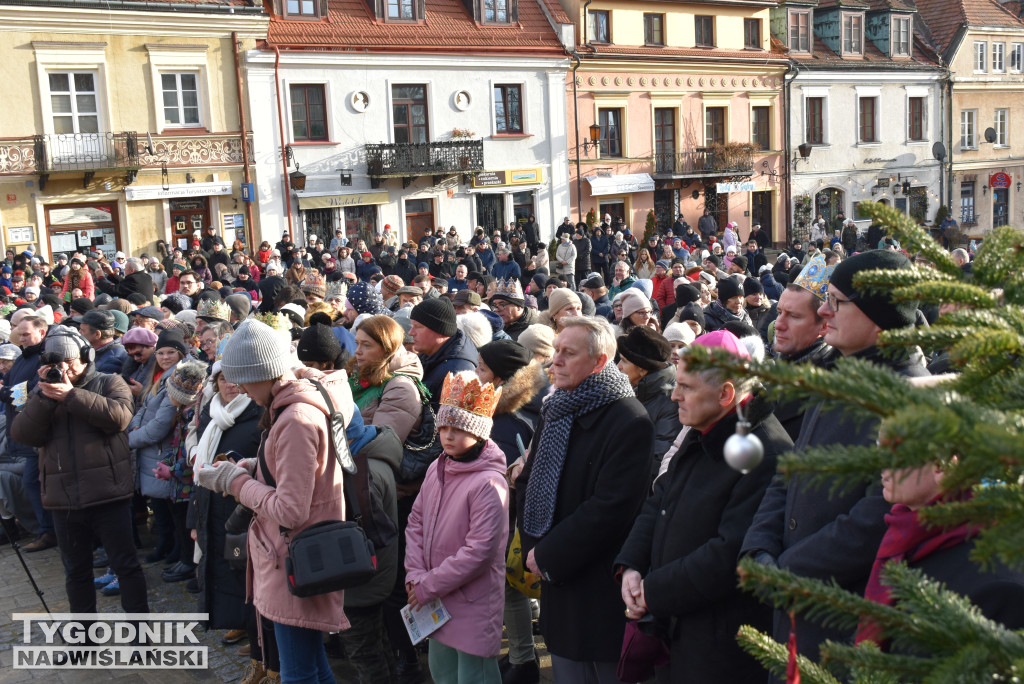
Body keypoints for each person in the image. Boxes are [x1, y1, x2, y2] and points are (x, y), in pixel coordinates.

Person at [742, 250, 929, 661]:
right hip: (796, 603)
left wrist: (787, 568)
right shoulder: (837, 375)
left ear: (879, 313)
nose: (824, 310)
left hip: (843, 620)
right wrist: (758, 546)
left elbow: (880, 514)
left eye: (837, 301)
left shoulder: (912, 396)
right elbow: (791, 470)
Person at [194, 319, 368, 682]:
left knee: (298, 672)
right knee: (312, 663)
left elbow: (290, 510)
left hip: (293, 557)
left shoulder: (295, 419)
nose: (238, 387)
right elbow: (309, 473)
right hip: (298, 554)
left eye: (243, 378)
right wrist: (258, 466)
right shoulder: (299, 403)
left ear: (264, 373)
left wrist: (235, 481)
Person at [616, 330, 792, 682]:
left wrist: (653, 591)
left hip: (720, 648)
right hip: (676, 627)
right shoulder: (707, 424)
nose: (674, 395)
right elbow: (660, 499)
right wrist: (632, 565)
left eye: (687, 387)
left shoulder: (766, 452)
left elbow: (730, 554)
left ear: (726, 393)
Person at [516, 316, 654, 682]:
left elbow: (611, 508)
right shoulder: (557, 405)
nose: (554, 361)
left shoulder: (629, 419)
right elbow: (528, 482)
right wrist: (534, 549)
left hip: (596, 586)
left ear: (599, 362)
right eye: (556, 350)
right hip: (554, 577)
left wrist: (546, 555)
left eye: (568, 353)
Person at [11, 326, 148, 614]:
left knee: (126, 566)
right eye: (54, 364)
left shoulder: (111, 382)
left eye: (69, 363)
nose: (63, 370)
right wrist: (46, 398)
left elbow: (120, 418)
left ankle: (140, 636)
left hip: (109, 495)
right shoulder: (43, 393)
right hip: (64, 501)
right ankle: (83, 642)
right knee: (76, 572)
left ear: (86, 358)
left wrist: (71, 395)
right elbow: (23, 434)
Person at [405, 370, 509, 684]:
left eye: (458, 428)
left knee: (474, 676)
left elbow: (478, 552)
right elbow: (416, 521)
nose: (447, 436)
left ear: (479, 433)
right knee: (444, 673)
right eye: (444, 427)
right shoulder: (438, 467)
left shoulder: (489, 484)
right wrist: (414, 573)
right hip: (433, 595)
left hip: (470, 600)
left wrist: (427, 584)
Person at [128, 328, 189, 564]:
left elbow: (161, 424)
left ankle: (174, 548)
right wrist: (134, 427)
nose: (165, 358)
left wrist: (130, 439)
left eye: (171, 352)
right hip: (151, 449)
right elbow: (143, 407)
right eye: (161, 353)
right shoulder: (158, 377)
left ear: (181, 354)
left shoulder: (178, 379)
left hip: (163, 449)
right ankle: (166, 545)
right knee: (161, 506)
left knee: (170, 507)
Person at [771, 254, 840, 439]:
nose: (778, 324)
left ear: (824, 326)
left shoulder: (830, 389)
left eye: (794, 316)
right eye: (779, 312)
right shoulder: (773, 371)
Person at [1, 312, 54, 551]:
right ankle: (46, 530)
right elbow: (12, 385)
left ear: (41, 332)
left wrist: (4, 392)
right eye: (19, 334)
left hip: (37, 432)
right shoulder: (23, 356)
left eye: (26, 334)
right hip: (22, 432)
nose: (21, 339)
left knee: (35, 482)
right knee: (33, 482)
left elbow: (31, 391)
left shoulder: (44, 358)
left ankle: (47, 531)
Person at [615, 326, 681, 475]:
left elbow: (658, 459)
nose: (618, 366)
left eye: (624, 361)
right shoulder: (626, 388)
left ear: (643, 370)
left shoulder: (671, 401)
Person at [410, 298, 477, 414]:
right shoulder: (431, 353)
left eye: (418, 326)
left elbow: (449, 425)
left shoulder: (458, 371)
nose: (411, 332)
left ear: (439, 329)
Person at [80, 309, 127, 374]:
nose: (79, 332)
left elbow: (95, 383)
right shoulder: (100, 351)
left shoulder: (113, 360)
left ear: (97, 334)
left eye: (82, 330)